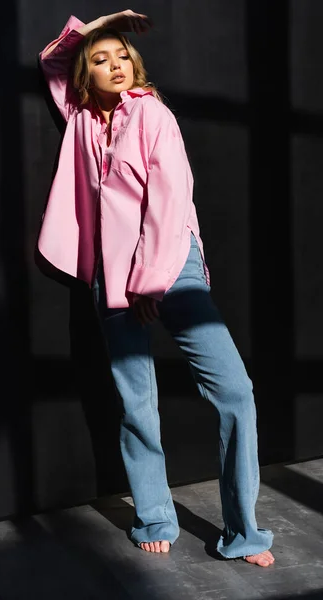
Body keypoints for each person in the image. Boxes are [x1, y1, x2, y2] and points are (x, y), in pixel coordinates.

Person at [38, 9, 275, 567]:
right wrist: (103, 23)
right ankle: (154, 516)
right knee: (135, 402)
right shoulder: (79, 118)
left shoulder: (153, 115)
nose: (116, 65)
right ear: (85, 75)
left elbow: (170, 204)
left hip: (171, 265)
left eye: (123, 55)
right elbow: (52, 58)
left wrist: (148, 281)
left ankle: (244, 532)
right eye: (101, 59)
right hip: (111, 277)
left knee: (235, 393)